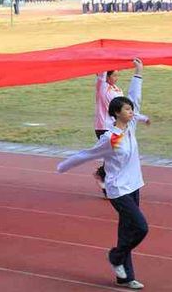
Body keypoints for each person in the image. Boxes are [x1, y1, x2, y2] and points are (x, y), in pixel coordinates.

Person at [57, 59, 148, 290]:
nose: (132, 111)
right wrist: (63, 166)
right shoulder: (110, 138)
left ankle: (124, 277)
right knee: (140, 227)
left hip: (134, 184)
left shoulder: (131, 127)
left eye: (131, 108)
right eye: (127, 109)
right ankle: (116, 256)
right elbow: (86, 155)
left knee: (126, 229)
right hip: (118, 190)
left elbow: (135, 97)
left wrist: (138, 72)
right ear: (117, 114)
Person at [93, 69, 150, 198]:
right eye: (114, 75)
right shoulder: (102, 87)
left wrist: (142, 118)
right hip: (104, 128)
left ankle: (103, 175)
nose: (116, 78)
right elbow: (101, 73)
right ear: (106, 76)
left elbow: (125, 109)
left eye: (117, 75)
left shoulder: (117, 90)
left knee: (116, 156)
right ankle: (107, 182)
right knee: (114, 156)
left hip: (117, 127)